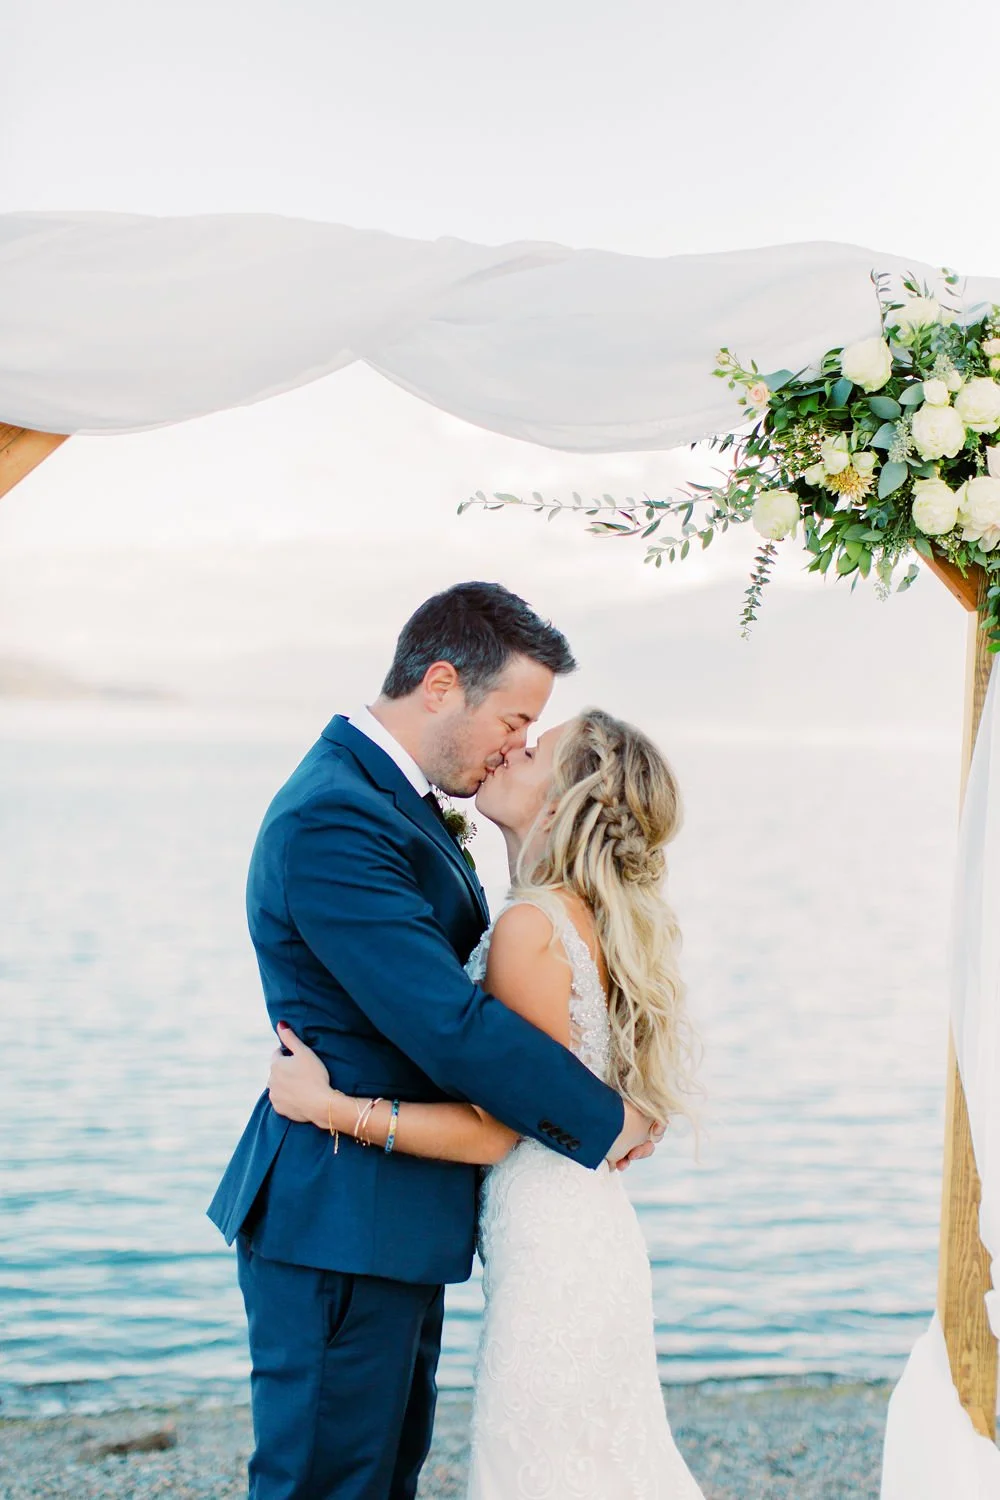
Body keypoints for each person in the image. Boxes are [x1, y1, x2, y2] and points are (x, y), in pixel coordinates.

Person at [207, 583, 658, 1500]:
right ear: (443, 684)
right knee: (329, 1483)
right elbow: (447, 1025)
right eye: (515, 717)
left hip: (388, 1215)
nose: (517, 743)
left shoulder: (389, 801)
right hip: (340, 1214)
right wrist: (601, 1116)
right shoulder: (339, 816)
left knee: (376, 1477)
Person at [270, 706, 704, 1498]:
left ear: (568, 795)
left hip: (553, 1248)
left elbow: (494, 1131)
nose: (513, 749)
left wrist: (330, 1108)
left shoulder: (530, 926)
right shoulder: (588, 919)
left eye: (535, 746)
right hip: (584, 1235)